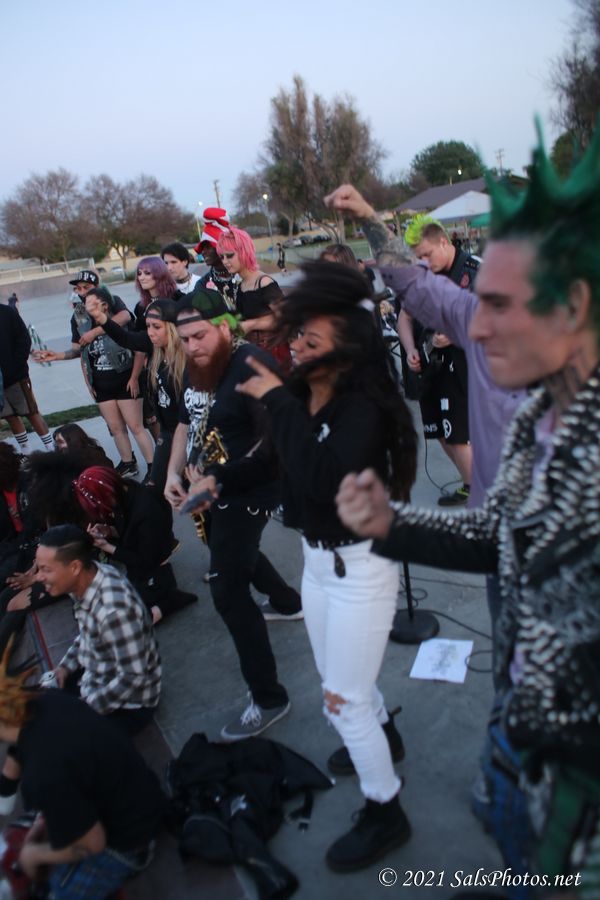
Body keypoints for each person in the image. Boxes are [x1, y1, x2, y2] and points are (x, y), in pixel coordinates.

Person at [330, 123, 600, 897]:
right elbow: (500, 535)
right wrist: (392, 525)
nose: (473, 327)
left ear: (574, 304)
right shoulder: (536, 420)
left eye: (499, 305)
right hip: (523, 742)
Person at [235, 260, 417, 872]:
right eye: (297, 336)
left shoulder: (362, 407)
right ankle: (384, 733)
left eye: (311, 341)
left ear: (347, 347)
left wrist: (275, 400)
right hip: (317, 565)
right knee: (337, 678)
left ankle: (386, 809)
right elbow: (275, 459)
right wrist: (217, 480)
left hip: (360, 569)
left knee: (343, 699)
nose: (296, 347)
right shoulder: (307, 391)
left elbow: (321, 476)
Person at [164, 292, 300, 740]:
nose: (192, 346)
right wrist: (173, 472)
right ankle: (287, 602)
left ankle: (269, 698)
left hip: (250, 489)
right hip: (213, 484)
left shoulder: (252, 365)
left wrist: (217, 480)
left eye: (200, 335)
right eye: (184, 339)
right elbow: (186, 421)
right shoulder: (201, 364)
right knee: (232, 551)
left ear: (225, 326)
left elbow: (274, 445)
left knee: (227, 591)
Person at [0, 647, 164, 899]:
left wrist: (34, 855)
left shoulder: (43, 775)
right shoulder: (47, 699)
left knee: (57, 892)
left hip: (129, 841)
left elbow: (93, 843)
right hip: (140, 793)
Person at [37, 524, 161, 735]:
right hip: (96, 677)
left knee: (54, 739)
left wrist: (84, 710)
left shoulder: (114, 611)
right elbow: (88, 633)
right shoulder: (88, 578)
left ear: (74, 567)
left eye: (46, 570)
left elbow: (133, 678)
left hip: (128, 706)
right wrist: (64, 668)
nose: (39, 577)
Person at [397, 216, 477, 506]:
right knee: (438, 431)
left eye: (427, 255)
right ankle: (471, 482)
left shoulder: (473, 272)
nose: (424, 262)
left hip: (464, 366)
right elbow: (404, 317)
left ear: (444, 242)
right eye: (418, 258)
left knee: (458, 434)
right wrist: (410, 349)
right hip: (431, 367)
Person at [36, 287, 154, 480]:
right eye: (85, 301)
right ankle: (128, 463)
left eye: (92, 302)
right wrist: (56, 356)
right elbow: (78, 350)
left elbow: (139, 350)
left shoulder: (118, 318)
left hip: (125, 381)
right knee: (116, 428)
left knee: (136, 426)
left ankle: (152, 467)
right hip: (101, 384)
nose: (86, 303)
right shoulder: (80, 320)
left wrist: (134, 378)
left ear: (104, 305)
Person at [84, 296, 185, 491]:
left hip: (186, 432)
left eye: (156, 327)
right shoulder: (152, 345)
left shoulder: (187, 356)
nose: (150, 332)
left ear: (173, 327)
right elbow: (125, 338)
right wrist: (101, 317)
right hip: (167, 432)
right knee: (155, 487)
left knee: (187, 488)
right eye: (148, 326)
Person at [72, 466, 194, 624]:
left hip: (153, 570)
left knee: (124, 619)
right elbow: (130, 533)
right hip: (141, 568)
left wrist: (106, 546)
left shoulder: (145, 509)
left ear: (107, 494)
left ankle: (168, 601)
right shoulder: (125, 494)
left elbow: (145, 559)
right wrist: (109, 531)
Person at [217, 226, 292, 371]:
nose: (225, 261)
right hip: (253, 355)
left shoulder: (264, 282)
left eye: (229, 255)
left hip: (274, 357)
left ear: (243, 252)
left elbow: (286, 318)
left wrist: (251, 324)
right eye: (222, 257)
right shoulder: (241, 285)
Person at [0, 303, 54, 454]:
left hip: (16, 376)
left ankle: (51, 448)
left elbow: (24, 339)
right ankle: (26, 451)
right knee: (9, 416)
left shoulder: (7, 312)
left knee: (31, 411)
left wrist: (15, 367)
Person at [193, 206, 238, 310]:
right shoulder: (202, 284)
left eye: (208, 247)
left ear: (222, 247)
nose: (203, 252)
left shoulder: (245, 276)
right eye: (202, 248)